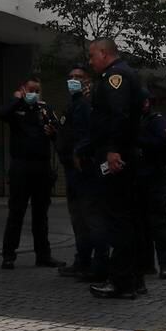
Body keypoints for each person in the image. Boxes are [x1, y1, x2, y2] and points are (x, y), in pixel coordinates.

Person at [87, 37, 166, 299]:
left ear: (103, 53)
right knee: (131, 218)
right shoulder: (126, 74)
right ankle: (135, 279)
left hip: (117, 157)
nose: (90, 62)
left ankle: (122, 281)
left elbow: (119, 115)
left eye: (92, 56)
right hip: (126, 156)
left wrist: (112, 149)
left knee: (118, 219)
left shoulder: (116, 77)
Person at [0, 79, 63, 269]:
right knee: (16, 212)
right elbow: (1, 114)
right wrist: (18, 101)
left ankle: (43, 255)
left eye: (37, 90)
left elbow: (58, 132)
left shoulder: (44, 109)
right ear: (22, 90)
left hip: (41, 167)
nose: (34, 93)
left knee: (41, 214)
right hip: (21, 166)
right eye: (30, 90)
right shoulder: (16, 109)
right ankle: (8, 255)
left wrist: (53, 132)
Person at [56, 66, 110, 281]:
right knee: (79, 219)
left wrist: (80, 152)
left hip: (85, 169)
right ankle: (83, 261)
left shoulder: (86, 105)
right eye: (70, 77)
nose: (73, 80)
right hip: (72, 170)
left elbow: (91, 133)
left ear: (87, 81)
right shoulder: (74, 104)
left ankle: (97, 265)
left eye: (78, 77)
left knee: (90, 218)